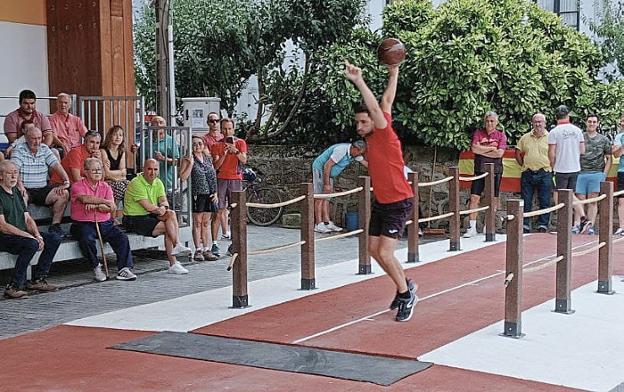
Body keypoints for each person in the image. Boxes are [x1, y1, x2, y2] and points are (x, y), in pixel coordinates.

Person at [344, 60, 417, 322]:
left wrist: (359, 81)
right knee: (374, 250)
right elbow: (386, 99)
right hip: (382, 202)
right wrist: (394, 72)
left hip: (399, 202)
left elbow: (376, 106)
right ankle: (405, 284)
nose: (359, 127)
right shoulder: (378, 127)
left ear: (373, 121)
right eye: (357, 122)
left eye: (363, 122)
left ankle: (406, 294)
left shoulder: (385, 134)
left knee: (385, 252)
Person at [0, 160, 61, 299]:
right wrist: (28, 237)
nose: (13, 176)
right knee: (31, 244)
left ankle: (38, 279)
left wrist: (37, 235)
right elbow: (3, 226)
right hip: (4, 236)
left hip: (20, 234)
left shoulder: (16, 192)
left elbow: (27, 218)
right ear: (1, 176)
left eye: (15, 173)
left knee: (53, 238)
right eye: (9, 173)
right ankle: (13, 286)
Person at [70, 158, 136, 282]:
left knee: (122, 238)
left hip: (105, 223)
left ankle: (124, 269)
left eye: (99, 170)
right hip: (83, 223)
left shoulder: (105, 186)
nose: (98, 172)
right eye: (94, 170)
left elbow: (112, 207)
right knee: (86, 238)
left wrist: (96, 205)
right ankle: (96, 266)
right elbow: (84, 199)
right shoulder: (77, 185)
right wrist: (104, 202)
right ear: (85, 171)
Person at [123, 159, 192, 274]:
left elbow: (164, 200)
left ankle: (177, 247)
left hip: (149, 214)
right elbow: (147, 206)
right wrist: (159, 209)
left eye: (155, 170)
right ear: (143, 169)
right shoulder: (136, 182)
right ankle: (174, 260)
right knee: (169, 228)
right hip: (134, 218)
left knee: (171, 214)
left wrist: (163, 208)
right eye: (149, 169)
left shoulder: (158, 182)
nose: (152, 172)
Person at [11, 126, 71, 237]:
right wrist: (20, 186)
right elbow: (15, 170)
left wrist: (66, 181)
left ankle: (55, 226)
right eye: (34, 138)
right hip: (26, 188)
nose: (37, 141)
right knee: (21, 197)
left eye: (39, 138)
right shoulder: (18, 150)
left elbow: (56, 165)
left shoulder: (44, 148)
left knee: (64, 194)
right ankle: (24, 228)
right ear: (26, 138)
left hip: (42, 188)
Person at [463, 111, 507, 238]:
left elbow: (499, 154)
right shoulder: (478, 133)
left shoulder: (501, 135)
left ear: (497, 122)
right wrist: (491, 149)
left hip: (495, 171)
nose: (489, 123)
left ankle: (489, 225)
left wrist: (482, 150)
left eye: (492, 121)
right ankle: (472, 228)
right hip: (479, 170)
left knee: (493, 199)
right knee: (474, 198)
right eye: (487, 121)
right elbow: (474, 149)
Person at [210, 118, 247, 257]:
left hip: (236, 179)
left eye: (229, 128)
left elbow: (244, 160)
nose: (227, 131)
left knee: (235, 212)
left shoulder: (240, 142)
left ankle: (234, 243)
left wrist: (236, 151)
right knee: (218, 211)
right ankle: (214, 243)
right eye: (224, 129)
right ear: (221, 130)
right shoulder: (216, 145)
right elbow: (216, 166)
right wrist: (225, 154)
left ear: (233, 129)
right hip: (221, 179)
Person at [312, 141, 367, 233]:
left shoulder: (355, 155)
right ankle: (318, 224)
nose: (360, 154)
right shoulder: (340, 151)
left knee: (327, 197)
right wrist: (326, 184)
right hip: (320, 169)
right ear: (354, 149)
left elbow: (365, 164)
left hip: (329, 174)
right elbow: (327, 166)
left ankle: (327, 222)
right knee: (320, 197)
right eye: (360, 152)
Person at [573, 114, 611, 235]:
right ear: (586, 122)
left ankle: (590, 226)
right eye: (590, 121)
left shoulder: (604, 139)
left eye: (594, 122)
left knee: (593, 201)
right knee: (580, 200)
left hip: (596, 174)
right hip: (580, 173)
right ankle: (577, 224)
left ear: (598, 124)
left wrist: (603, 175)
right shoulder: (580, 137)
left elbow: (609, 158)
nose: (592, 124)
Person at [515, 113, 552, 233]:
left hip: (545, 172)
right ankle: (525, 225)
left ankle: (543, 225)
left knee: (545, 200)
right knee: (525, 201)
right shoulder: (525, 137)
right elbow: (518, 152)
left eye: (541, 121)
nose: (538, 124)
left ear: (545, 123)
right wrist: (524, 165)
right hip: (528, 173)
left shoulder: (551, 137)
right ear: (532, 123)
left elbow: (556, 153)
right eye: (536, 121)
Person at [190, 136, 219, 261]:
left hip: (209, 193)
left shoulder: (207, 159)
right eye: (195, 144)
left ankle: (207, 248)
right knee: (197, 222)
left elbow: (213, 176)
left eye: (200, 143)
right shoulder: (190, 159)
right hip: (198, 193)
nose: (197, 146)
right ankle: (198, 249)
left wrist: (215, 192)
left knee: (206, 222)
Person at [100, 125, 130, 203]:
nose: (118, 137)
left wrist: (118, 175)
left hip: (119, 181)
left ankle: (127, 212)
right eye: (115, 134)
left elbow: (124, 173)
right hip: (107, 181)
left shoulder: (121, 151)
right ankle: (113, 211)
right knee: (121, 188)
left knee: (131, 186)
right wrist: (120, 174)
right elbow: (106, 174)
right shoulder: (103, 151)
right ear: (110, 136)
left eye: (120, 135)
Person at [612, 113, 624, 236]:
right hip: (622, 171)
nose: (622, 123)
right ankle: (622, 227)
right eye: (621, 121)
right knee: (621, 201)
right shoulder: (619, 136)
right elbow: (616, 154)